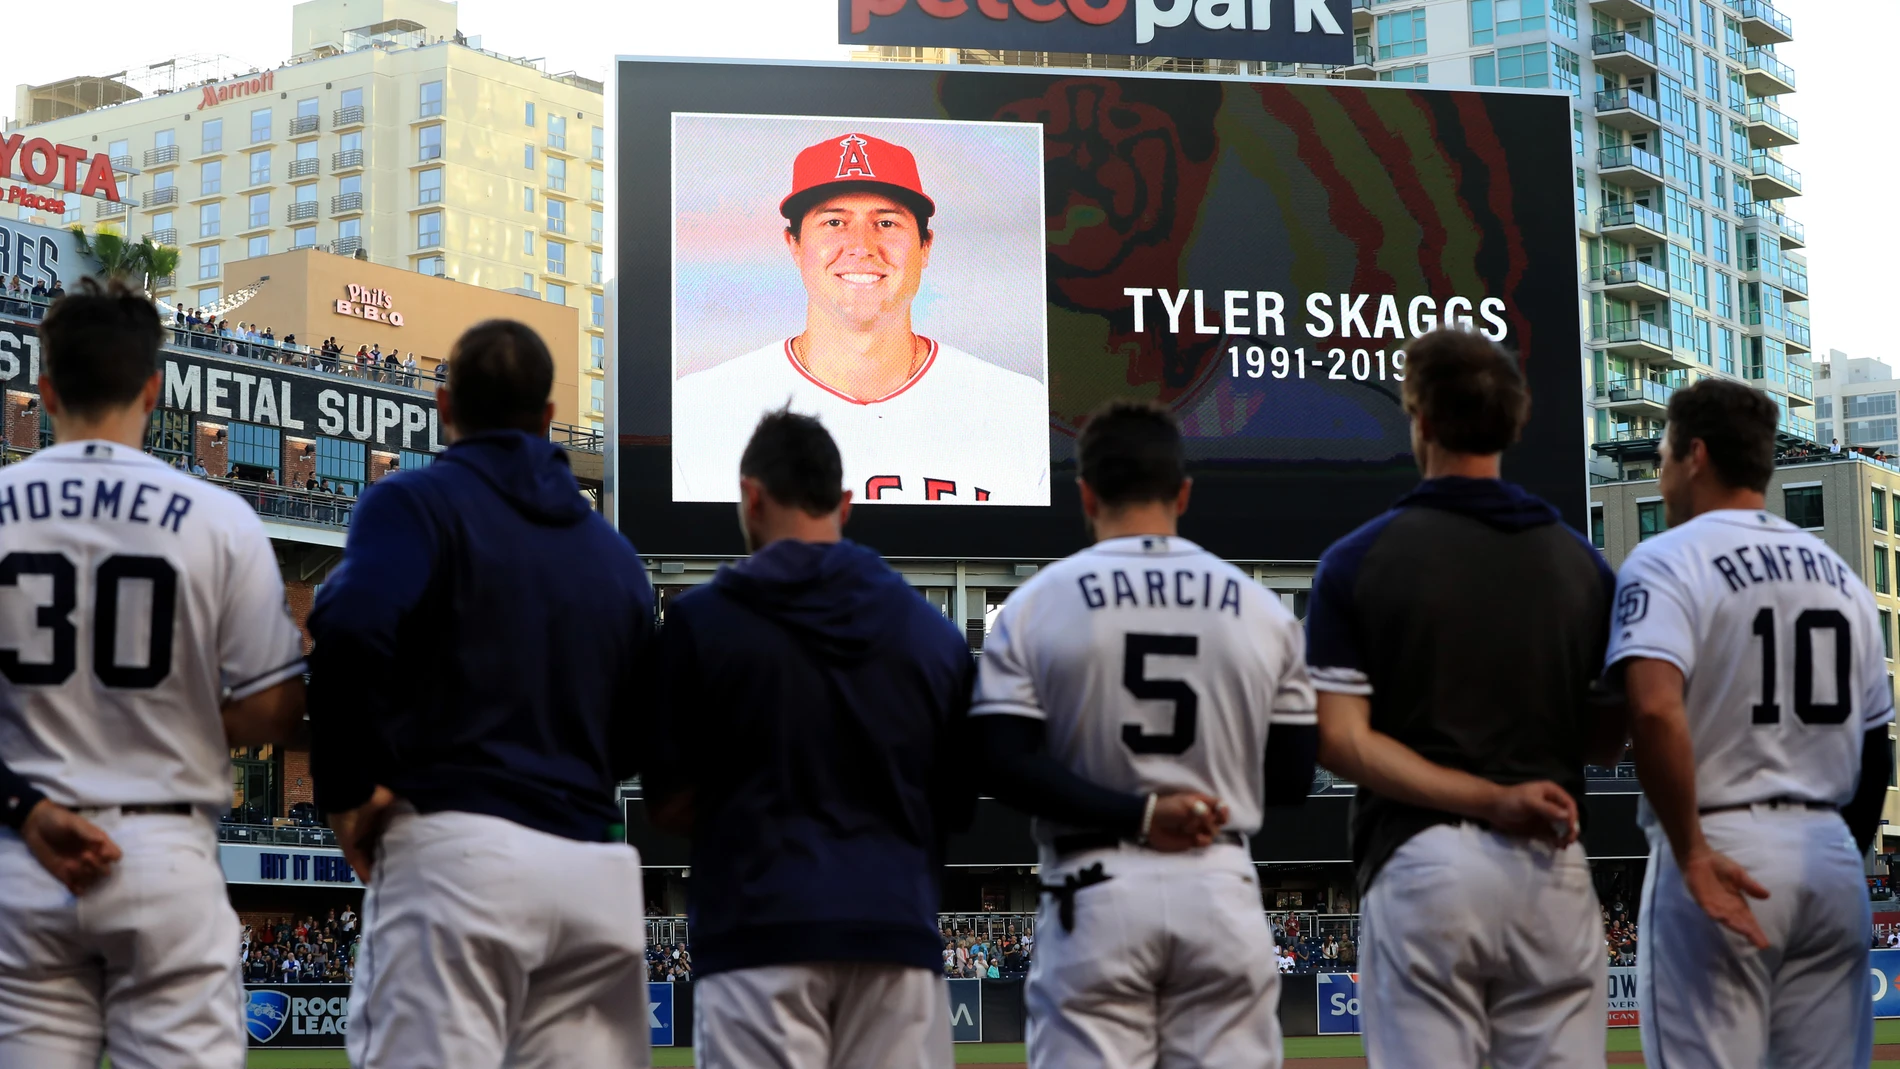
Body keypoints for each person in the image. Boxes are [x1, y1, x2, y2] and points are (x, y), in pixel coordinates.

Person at [308, 319, 655, 1068]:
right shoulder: (619, 558)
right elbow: (637, 732)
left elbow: (350, 628)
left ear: (443, 405)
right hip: (588, 872)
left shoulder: (413, 505)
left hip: (455, 854)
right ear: (547, 416)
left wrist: (344, 791)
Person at [0, 280, 306, 1068]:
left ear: (45, 389)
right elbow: (276, 707)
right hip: (165, 849)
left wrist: (25, 807)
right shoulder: (220, 517)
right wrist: (179, 712)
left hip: (22, 848)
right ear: (152, 388)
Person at [1305, 328, 1625, 1069]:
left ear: (1417, 415)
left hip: (1423, 860)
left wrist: (1485, 796)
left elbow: (1342, 739)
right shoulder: (1583, 564)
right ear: (1517, 416)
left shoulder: (1357, 559)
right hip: (1551, 859)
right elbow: (1608, 738)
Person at [971, 400, 1316, 1069]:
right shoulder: (1263, 609)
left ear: (1086, 492)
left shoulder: (1036, 603)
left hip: (1092, 886)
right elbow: (1294, 776)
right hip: (1218, 876)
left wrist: (1141, 811)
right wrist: (1195, 798)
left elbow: (1002, 761)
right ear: (1182, 492)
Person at [647, 409, 974, 1069]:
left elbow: (668, 803)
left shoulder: (699, 623)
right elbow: (957, 807)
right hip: (895, 936)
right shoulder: (933, 635)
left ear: (752, 496)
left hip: (758, 936)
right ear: (846, 504)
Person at [1607, 378, 1891, 1068]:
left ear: (1696, 454)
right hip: (1827, 850)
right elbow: (1875, 745)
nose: (1661, 470)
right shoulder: (1840, 576)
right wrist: (1836, 852)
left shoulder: (1668, 556)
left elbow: (1650, 705)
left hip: (1722, 838)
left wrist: (1693, 848)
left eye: (1665, 452)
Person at [671, 131, 1047, 504]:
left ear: (925, 246)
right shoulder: (698, 409)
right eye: (834, 222)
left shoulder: (1020, 409)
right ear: (795, 246)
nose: (862, 247)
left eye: (886, 223)